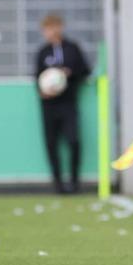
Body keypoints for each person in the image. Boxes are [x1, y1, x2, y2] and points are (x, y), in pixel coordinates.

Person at [36, 14, 91, 194]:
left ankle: (74, 181)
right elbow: (36, 78)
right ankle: (58, 184)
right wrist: (43, 90)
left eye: (50, 28)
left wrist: (68, 74)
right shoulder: (43, 52)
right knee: (51, 144)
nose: (47, 33)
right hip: (49, 106)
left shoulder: (72, 49)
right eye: (45, 29)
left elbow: (85, 70)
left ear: (58, 27)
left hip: (68, 104)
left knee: (73, 141)